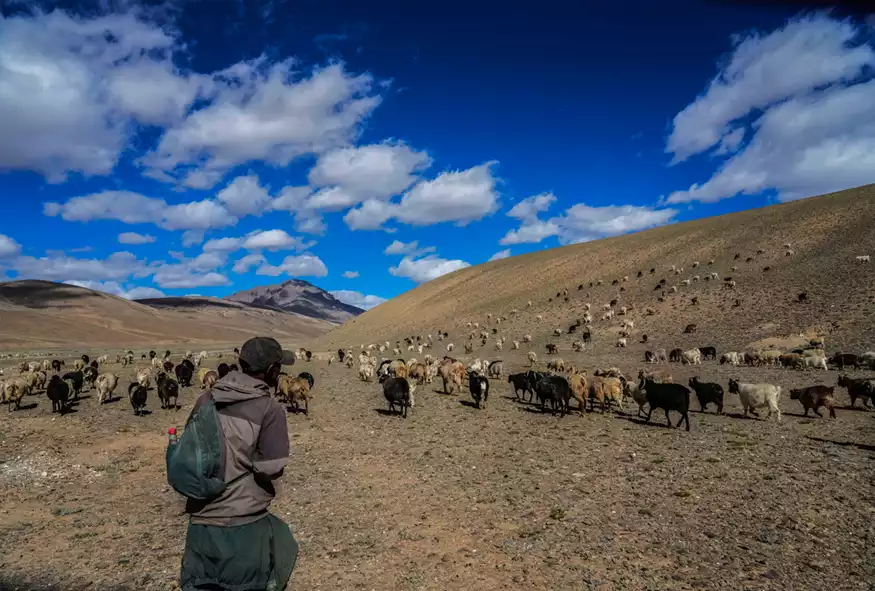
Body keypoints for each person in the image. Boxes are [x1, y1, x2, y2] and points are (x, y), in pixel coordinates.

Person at [177, 336, 298, 591]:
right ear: (272, 370)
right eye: (279, 368)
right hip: (244, 524)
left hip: (201, 522)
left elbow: (190, 448)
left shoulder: (205, 399)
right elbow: (271, 468)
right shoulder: (269, 408)